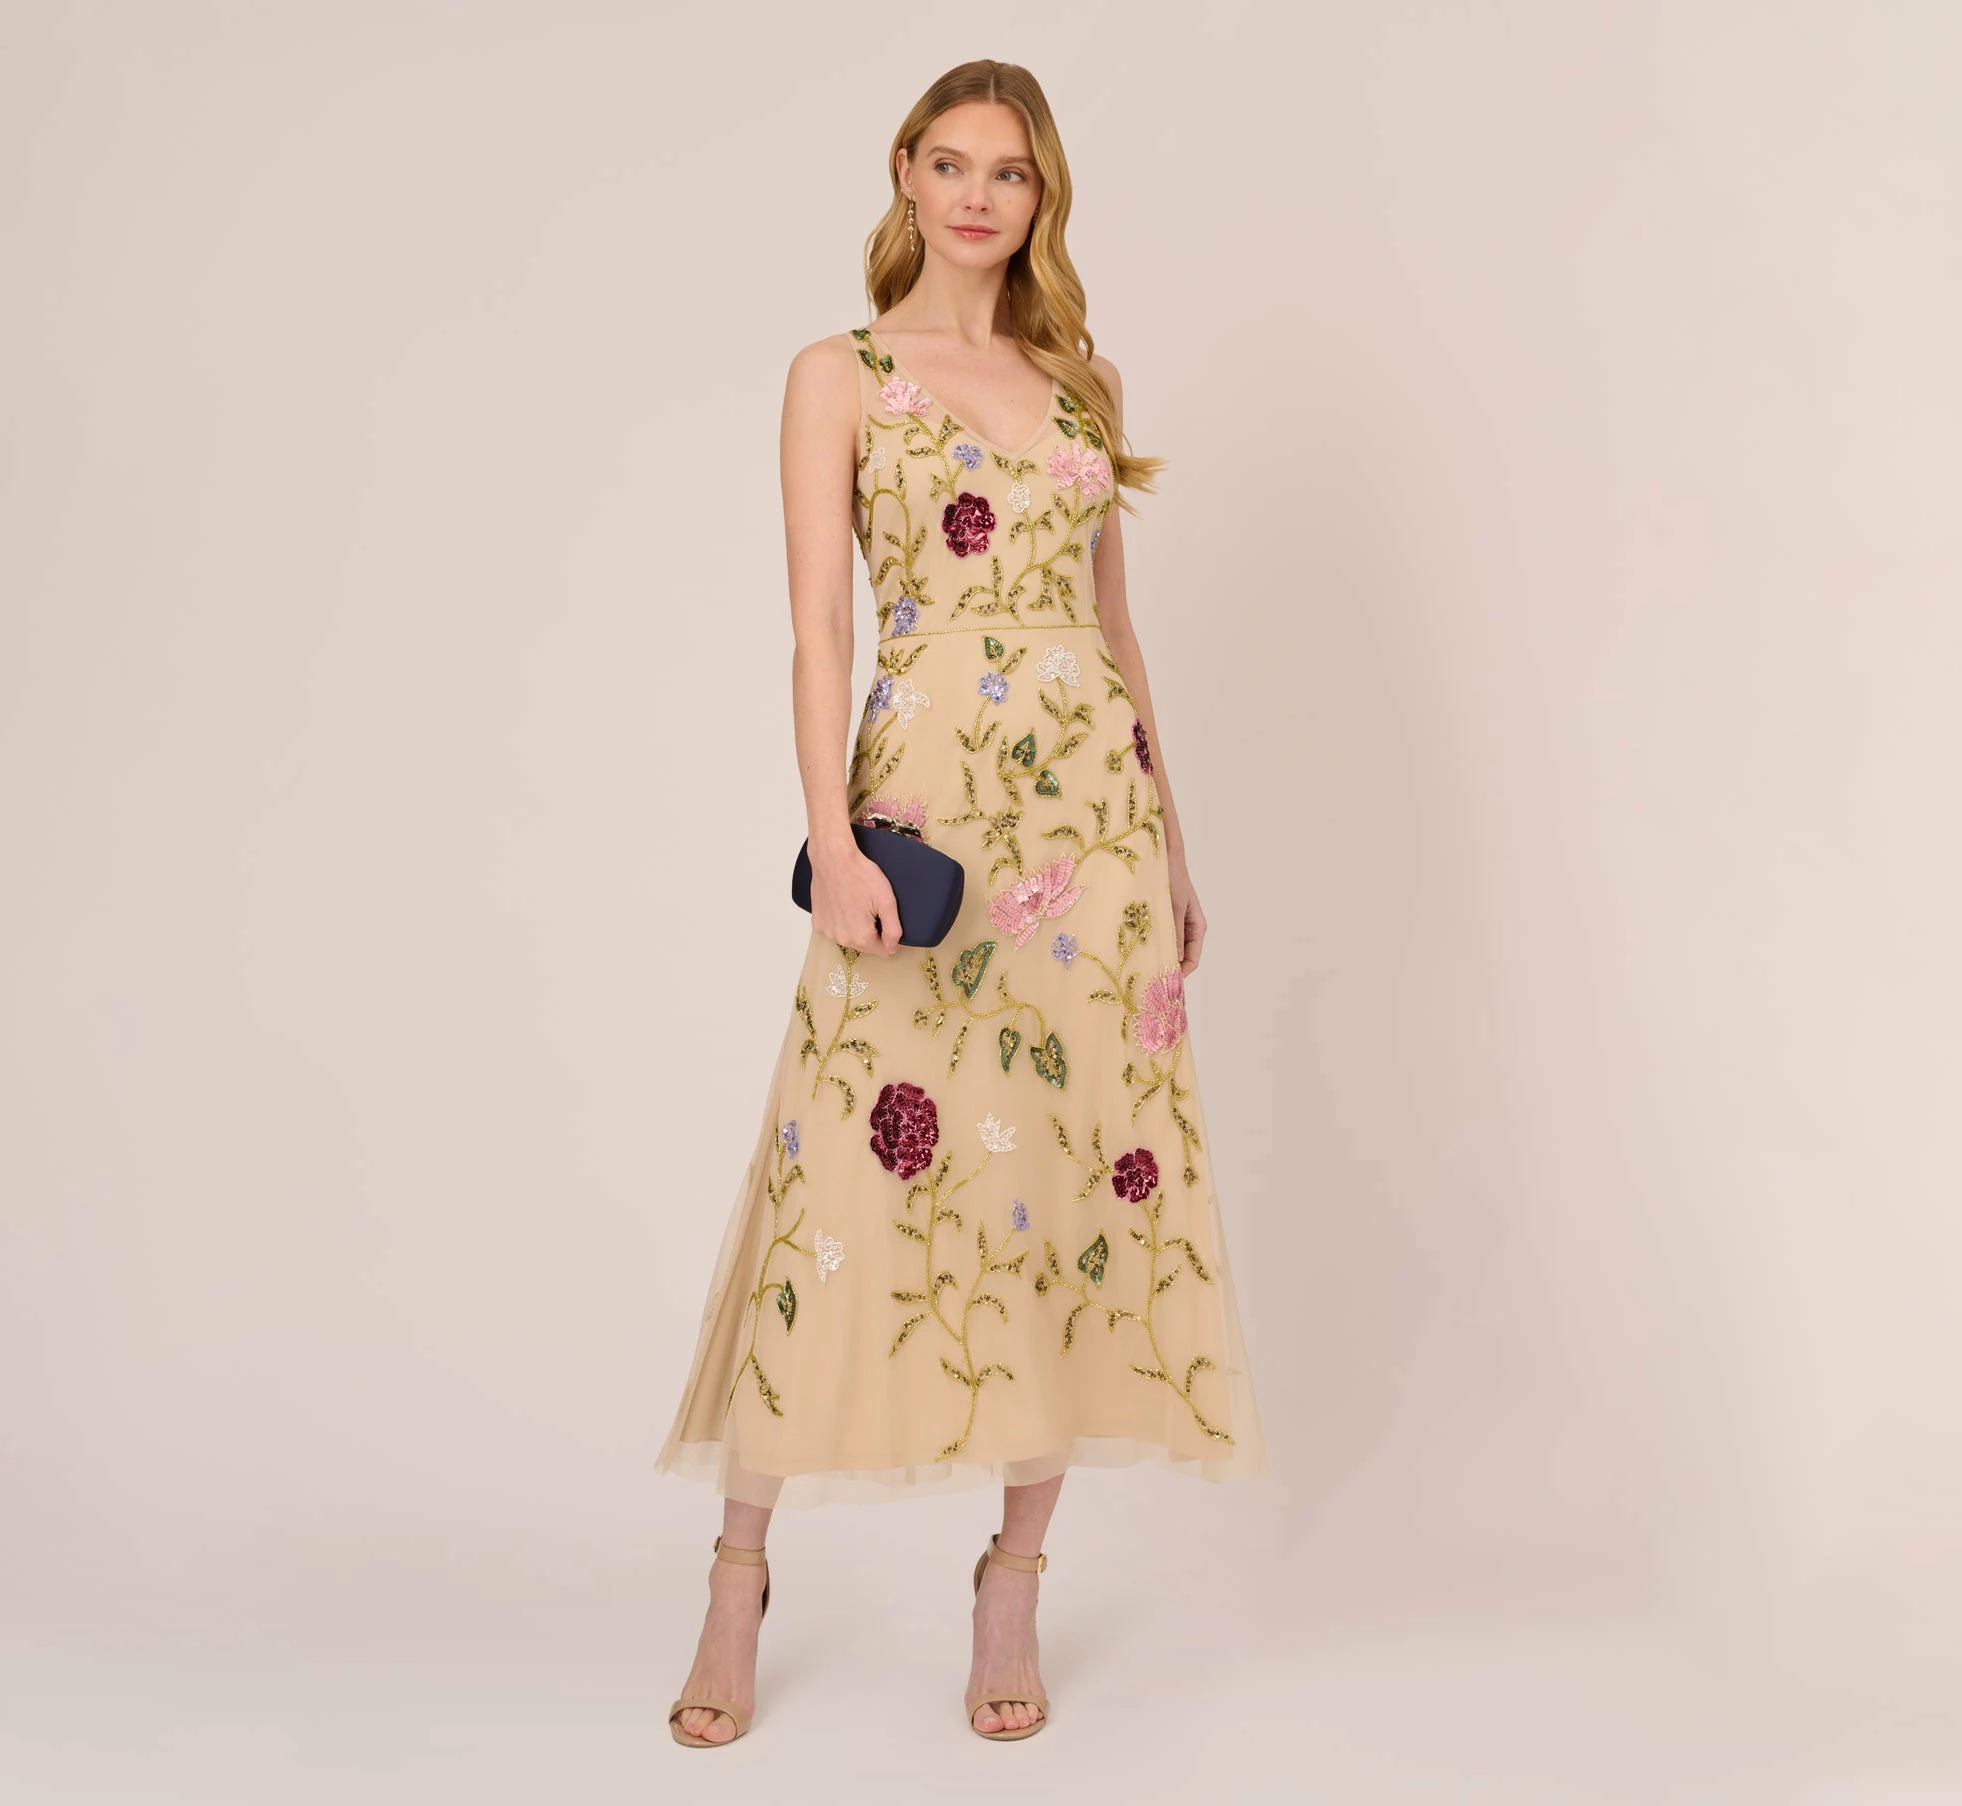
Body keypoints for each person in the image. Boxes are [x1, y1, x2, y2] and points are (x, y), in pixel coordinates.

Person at [658, 58, 1268, 1747]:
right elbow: (817, 627)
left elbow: (1116, 626)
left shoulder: (1083, 381)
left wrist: (1171, 841)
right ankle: (735, 1574)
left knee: (1069, 1173)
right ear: (906, 175)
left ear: (1040, 193)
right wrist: (831, 836)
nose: (978, 195)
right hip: (924, 805)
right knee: (839, 1172)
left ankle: (1014, 1576)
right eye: (950, 163)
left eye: (1008, 170)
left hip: (1091, 826)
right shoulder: (838, 373)